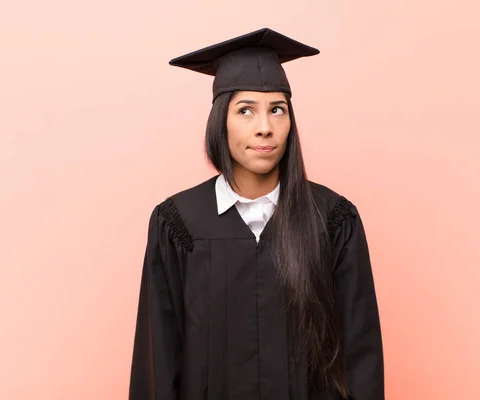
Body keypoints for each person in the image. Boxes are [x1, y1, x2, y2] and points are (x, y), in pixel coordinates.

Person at [129, 28, 384, 400]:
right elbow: (159, 359)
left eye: (277, 110)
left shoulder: (332, 221)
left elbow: (361, 356)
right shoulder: (177, 224)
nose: (264, 127)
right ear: (221, 120)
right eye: (245, 110)